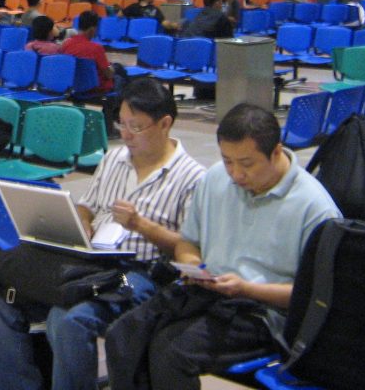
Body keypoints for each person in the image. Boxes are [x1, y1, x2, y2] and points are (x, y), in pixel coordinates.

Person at [0, 79, 206, 390]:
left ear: (165, 124)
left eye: (136, 127)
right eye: (121, 123)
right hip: (91, 261)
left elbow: (188, 247)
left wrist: (142, 225)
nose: (125, 134)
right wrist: (81, 223)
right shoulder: (114, 158)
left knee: (69, 320)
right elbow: (87, 206)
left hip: (140, 273)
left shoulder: (193, 178)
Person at [105, 103, 341, 390]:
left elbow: (315, 297)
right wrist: (192, 264)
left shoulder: (315, 208)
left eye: (247, 163)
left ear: (276, 152)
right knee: (124, 335)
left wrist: (246, 288)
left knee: (171, 351)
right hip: (209, 293)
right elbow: (189, 242)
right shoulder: (216, 178)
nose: (236, 174)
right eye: (228, 160)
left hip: (264, 314)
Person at [60, 11, 113, 93]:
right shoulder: (96, 48)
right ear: (92, 29)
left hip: (73, 87)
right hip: (95, 89)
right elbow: (109, 74)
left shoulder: (66, 44)